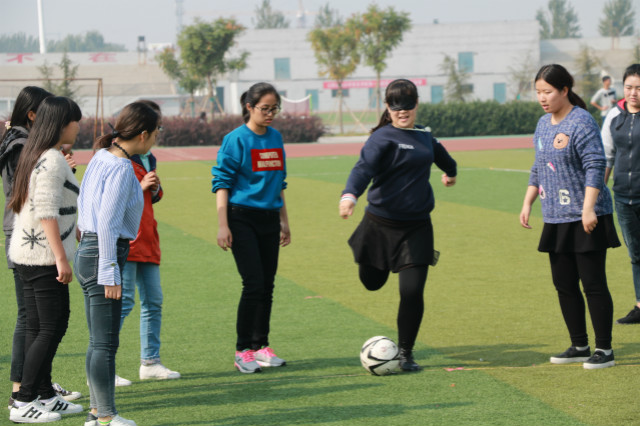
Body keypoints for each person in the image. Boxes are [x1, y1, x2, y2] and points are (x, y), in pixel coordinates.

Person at [339, 79, 458, 372]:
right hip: (379, 225)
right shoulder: (381, 138)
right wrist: (350, 195)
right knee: (372, 283)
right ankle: (369, 260)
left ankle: (405, 353)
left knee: (412, 291)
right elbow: (362, 169)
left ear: (416, 104)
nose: (401, 111)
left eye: (407, 104)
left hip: (417, 228)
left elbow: (446, 160)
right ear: (387, 107)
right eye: (395, 105)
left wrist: (450, 174)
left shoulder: (425, 137)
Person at [520, 64, 620, 369]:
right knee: (564, 284)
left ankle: (604, 349)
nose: (542, 98)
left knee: (593, 284)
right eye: (538, 92)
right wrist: (528, 202)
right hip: (555, 217)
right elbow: (538, 165)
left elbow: (594, 165)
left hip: (586, 217)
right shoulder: (542, 124)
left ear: (565, 90)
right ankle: (579, 344)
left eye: (548, 91)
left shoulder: (581, 121)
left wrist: (588, 208)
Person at [75, 101, 160, 426]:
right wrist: (109, 271)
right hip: (104, 254)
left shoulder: (101, 157)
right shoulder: (123, 168)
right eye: (155, 132)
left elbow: (86, 202)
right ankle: (107, 416)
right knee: (105, 342)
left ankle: (97, 415)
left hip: (90, 250)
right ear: (143, 134)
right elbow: (109, 221)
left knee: (100, 340)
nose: (155, 138)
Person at [0, 87, 82, 411]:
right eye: (75, 120)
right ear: (61, 123)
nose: (78, 126)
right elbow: (46, 209)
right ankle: (23, 400)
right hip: (41, 257)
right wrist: (61, 258)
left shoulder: (42, 153)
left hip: (31, 253)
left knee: (40, 326)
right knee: (51, 326)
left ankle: (44, 394)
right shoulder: (49, 158)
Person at [212, 82, 291, 374]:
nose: (270, 114)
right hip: (241, 217)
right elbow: (222, 182)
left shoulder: (276, 138)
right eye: (264, 109)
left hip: (270, 218)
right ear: (249, 107)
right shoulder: (236, 140)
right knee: (254, 283)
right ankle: (243, 349)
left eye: (274, 109)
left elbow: (279, 182)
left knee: (267, 285)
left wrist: (285, 221)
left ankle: (261, 346)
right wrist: (223, 226)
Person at [119, 100, 180, 381]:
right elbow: (111, 204)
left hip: (148, 237)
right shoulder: (116, 158)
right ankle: (103, 364)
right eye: (157, 126)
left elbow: (151, 196)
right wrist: (140, 188)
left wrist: (154, 189)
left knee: (153, 301)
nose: (159, 132)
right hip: (127, 240)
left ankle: (150, 362)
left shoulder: (148, 157)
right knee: (124, 303)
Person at [602, 64, 640, 325]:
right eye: (629, 87)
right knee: (636, 253)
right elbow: (606, 157)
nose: (633, 93)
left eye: (639, 88)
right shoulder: (615, 115)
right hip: (623, 198)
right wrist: (598, 195)